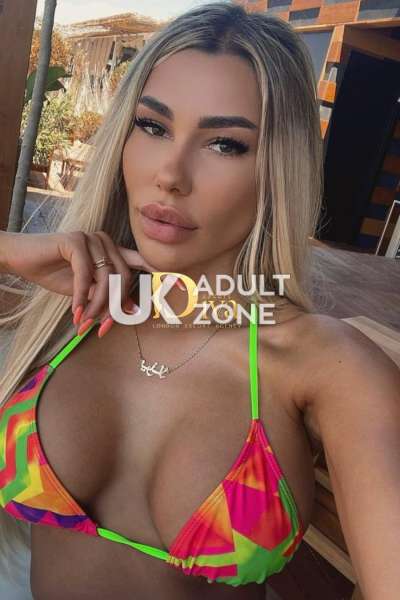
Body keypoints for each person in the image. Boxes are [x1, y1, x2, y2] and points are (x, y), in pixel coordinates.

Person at [0, 2, 399, 599]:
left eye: (226, 145)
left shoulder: (327, 363)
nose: (171, 174)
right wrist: (8, 251)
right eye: (153, 126)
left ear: (277, 169)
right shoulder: (70, 300)